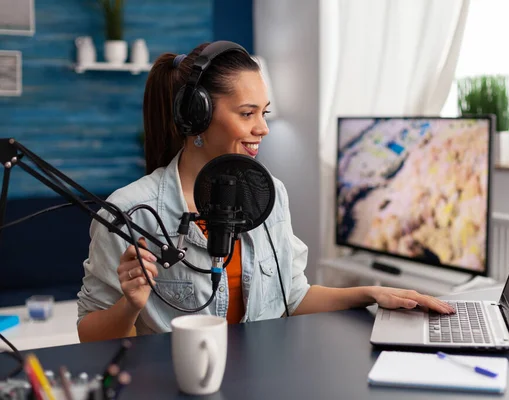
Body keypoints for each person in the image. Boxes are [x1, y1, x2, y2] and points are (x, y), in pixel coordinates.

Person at [76, 41, 454, 343]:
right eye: (247, 113)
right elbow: (89, 334)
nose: (263, 128)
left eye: (264, 113)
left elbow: (294, 296)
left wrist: (371, 293)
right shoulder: (130, 211)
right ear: (198, 116)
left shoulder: (271, 194)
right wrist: (129, 306)